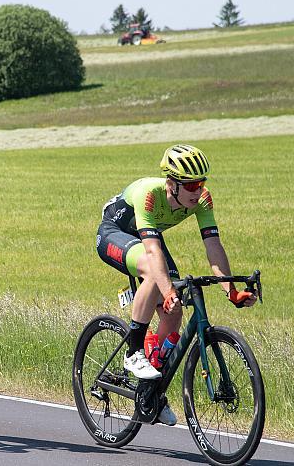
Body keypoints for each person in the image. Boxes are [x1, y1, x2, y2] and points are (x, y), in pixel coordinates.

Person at [95, 144, 257, 426]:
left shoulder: (202, 199)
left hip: (150, 237)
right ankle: (134, 353)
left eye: (201, 183)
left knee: (174, 312)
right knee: (154, 273)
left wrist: (230, 290)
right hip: (116, 232)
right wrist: (167, 289)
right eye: (191, 184)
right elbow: (153, 252)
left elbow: (213, 245)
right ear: (172, 184)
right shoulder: (150, 195)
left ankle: (149, 393)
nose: (197, 190)